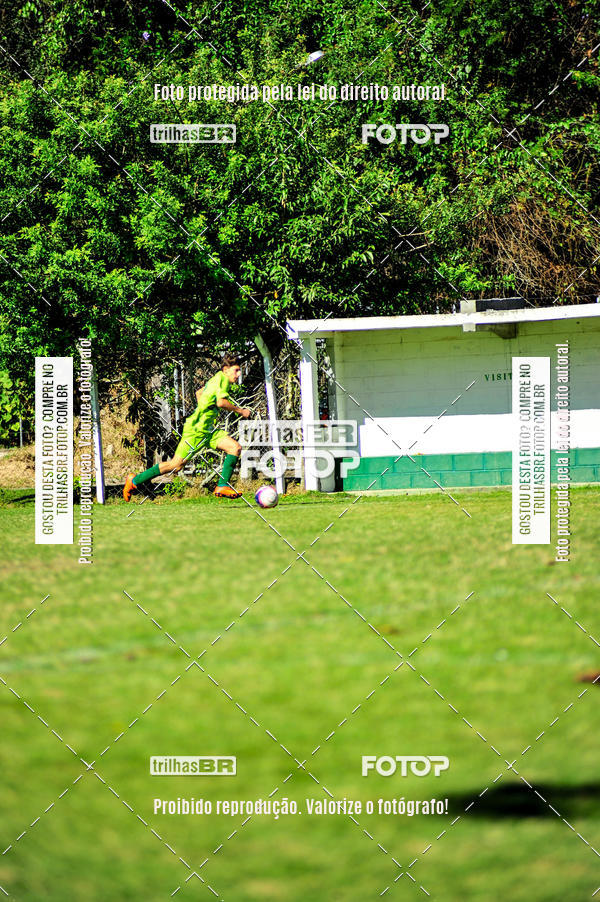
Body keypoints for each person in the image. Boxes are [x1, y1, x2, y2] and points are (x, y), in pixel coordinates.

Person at [123, 354, 250, 501]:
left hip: (208, 429)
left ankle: (222, 485)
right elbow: (221, 402)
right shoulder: (222, 379)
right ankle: (134, 481)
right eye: (236, 370)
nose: (238, 374)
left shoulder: (216, 378)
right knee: (175, 465)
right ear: (226, 369)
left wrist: (204, 412)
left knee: (235, 448)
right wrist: (241, 411)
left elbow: (200, 393)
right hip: (196, 431)